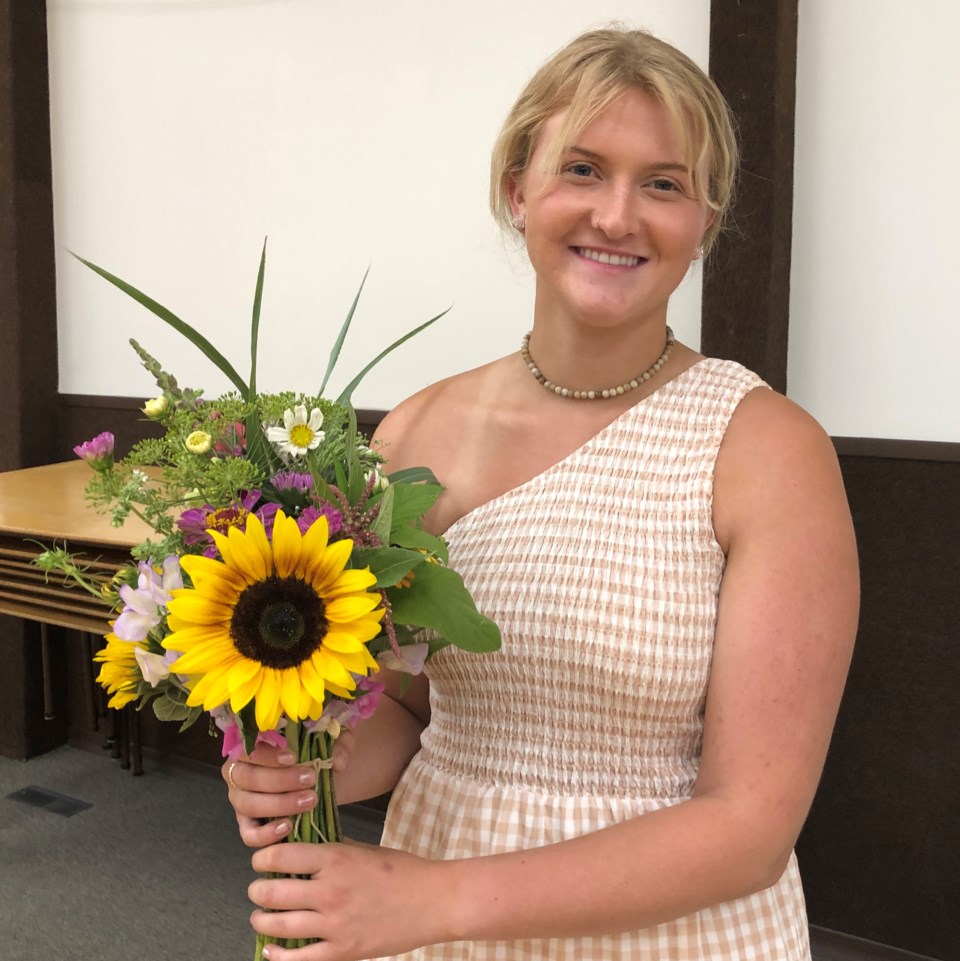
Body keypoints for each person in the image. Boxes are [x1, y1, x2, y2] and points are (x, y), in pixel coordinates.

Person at [225, 26, 859, 961]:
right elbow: (404, 710)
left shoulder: (765, 450)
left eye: (664, 183)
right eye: (583, 169)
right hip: (433, 900)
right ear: (518, 189)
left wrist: (437, 901)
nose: (616, 215)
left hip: (666, 934)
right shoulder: (416, 431)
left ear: (703, 221)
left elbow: (750, 827)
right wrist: (305, 763)